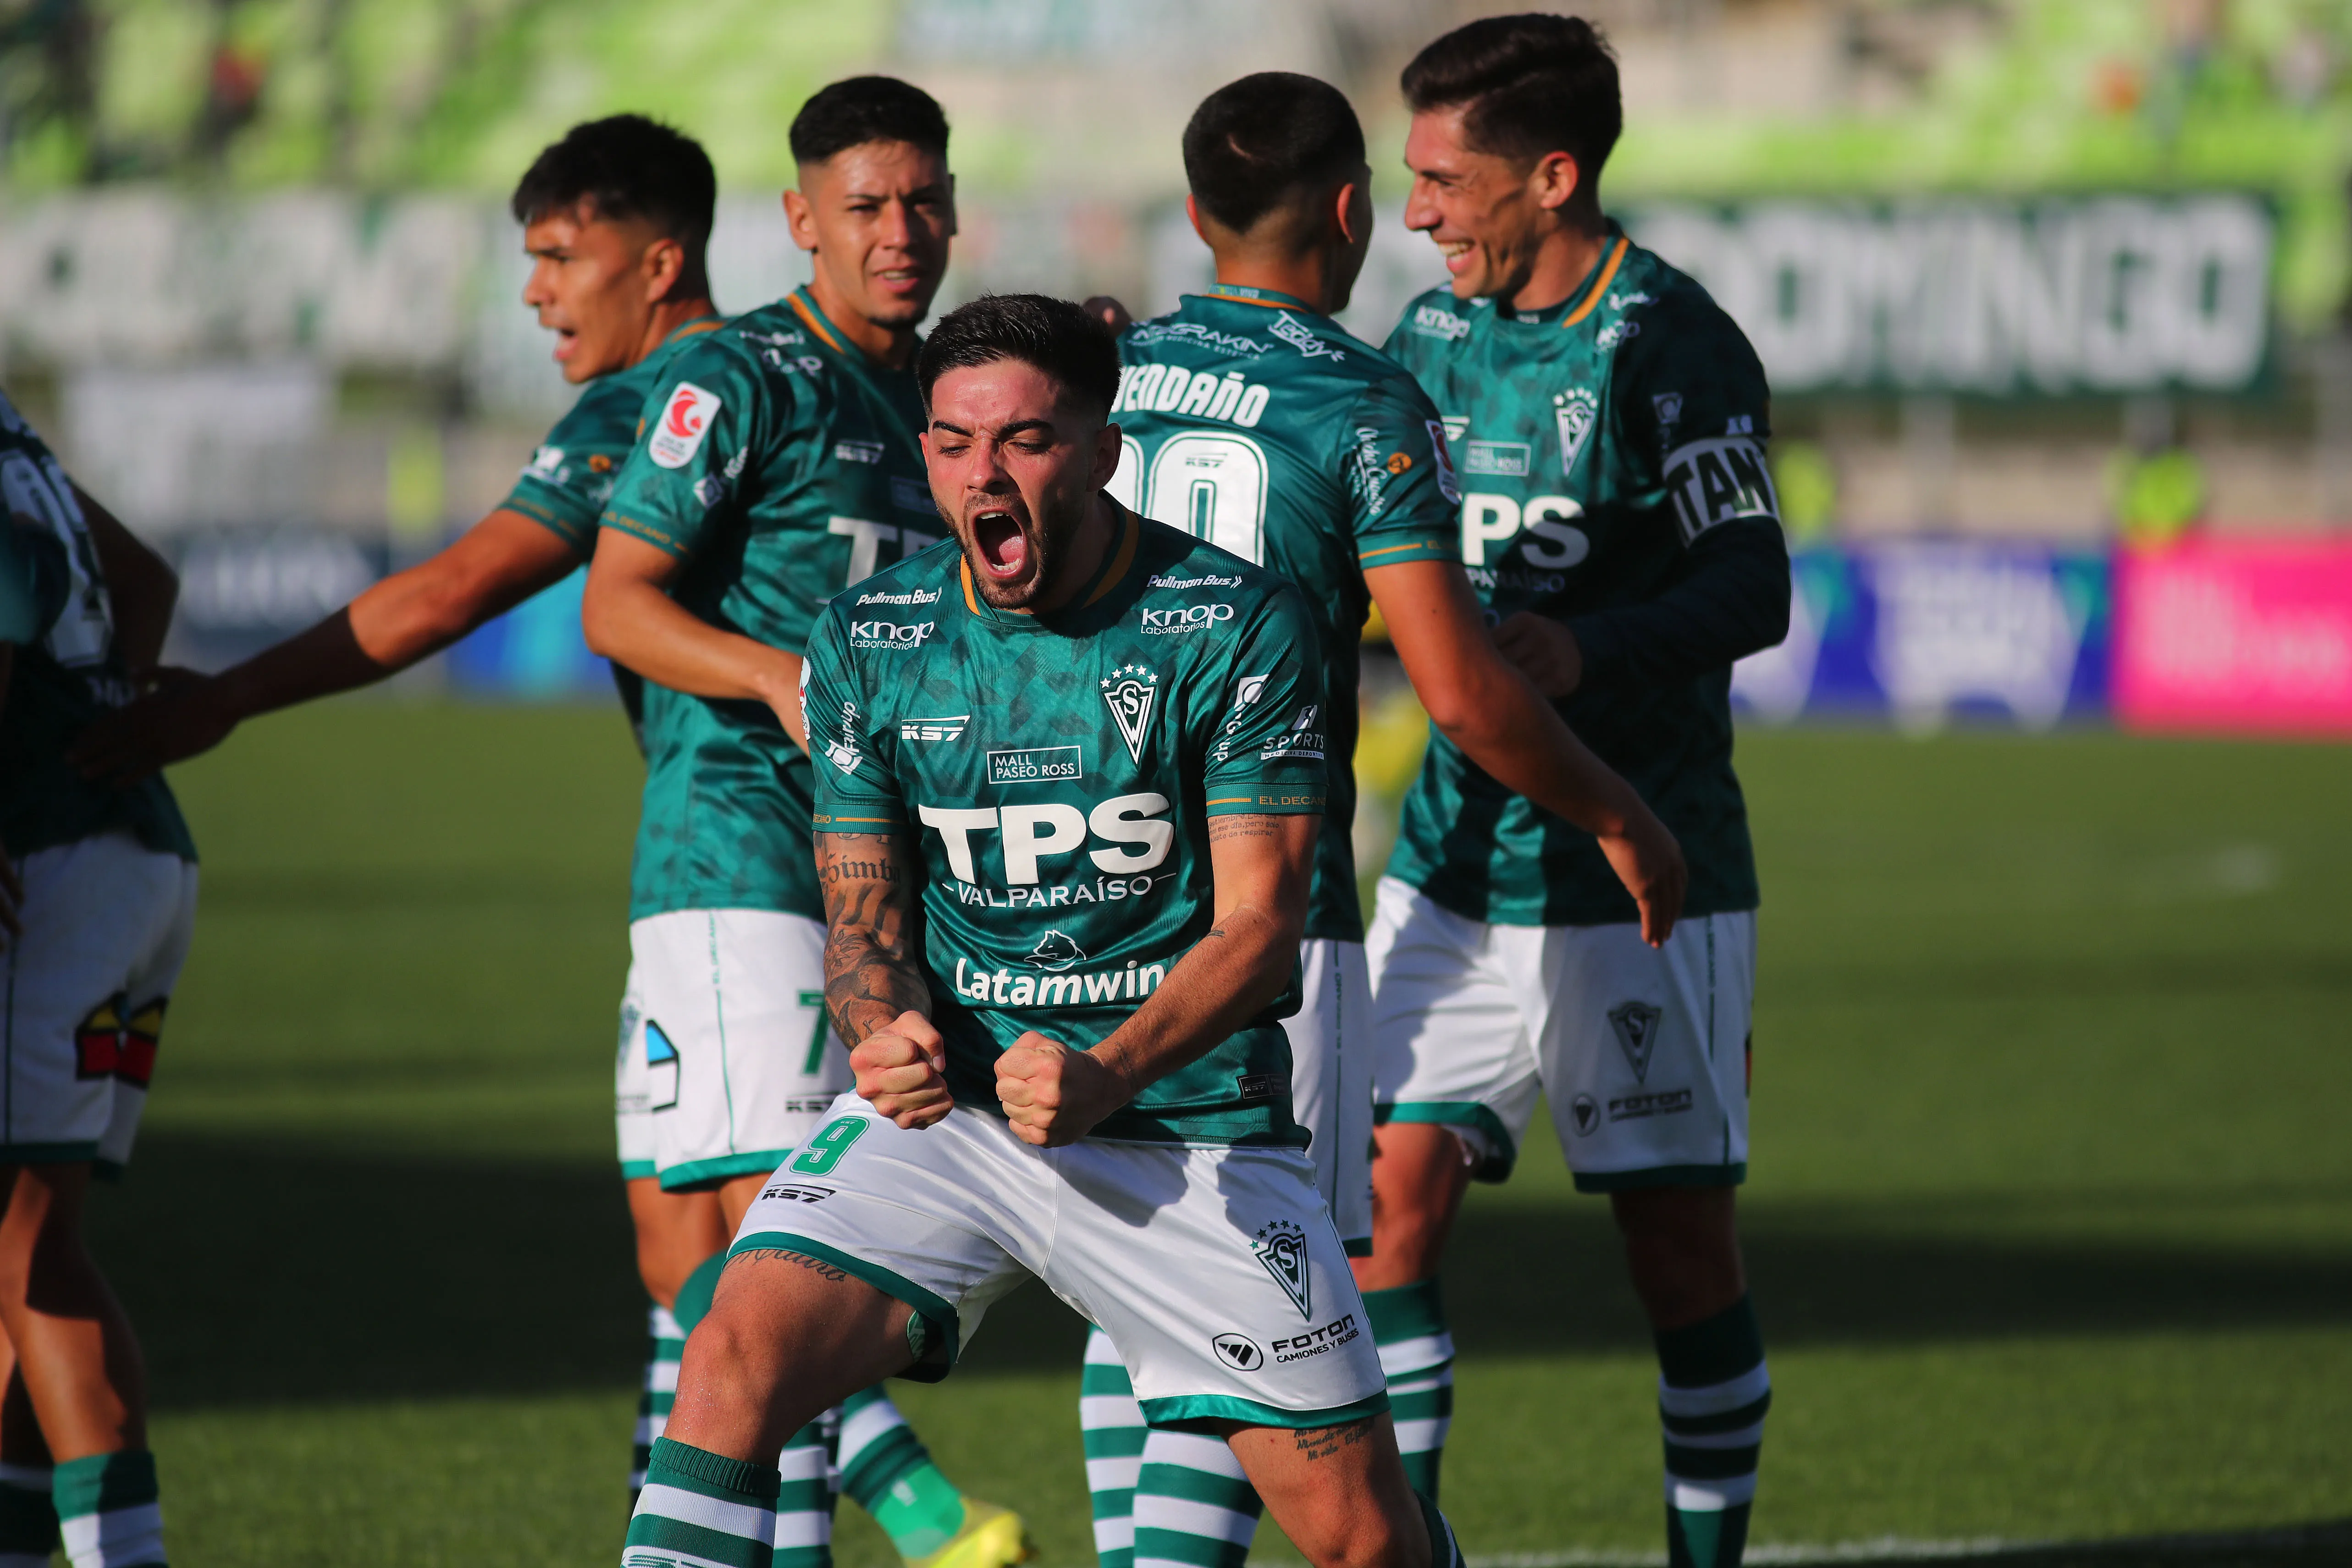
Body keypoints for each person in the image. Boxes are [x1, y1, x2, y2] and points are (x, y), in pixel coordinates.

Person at [65, 116, 1000, 1558]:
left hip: (745, 859)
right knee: (679, 1250)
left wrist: (233, 697)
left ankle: (913, 1510)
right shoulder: (868, 388)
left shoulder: (694, 390)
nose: (537, 292)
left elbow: (452, 591)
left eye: (561, 255)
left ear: (659, 257)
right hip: (813, 868)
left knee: (748, 1247)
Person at [623, 290, 1464, 1568]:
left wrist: (1106, 1069)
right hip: (956, 1118)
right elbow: (863, 919)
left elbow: (1262, 931)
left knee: (1363, 1539)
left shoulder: (1239, 625)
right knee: (731, 1352)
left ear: (1102, 450)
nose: (985, 473)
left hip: (1184, 1132)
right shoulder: (868, 637)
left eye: (1024, 438)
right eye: (956, 443)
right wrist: (879, 1023)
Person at [1074, 72, 1685, 1568]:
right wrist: (1616, 812)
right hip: (1262, 917)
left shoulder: (1102, 377)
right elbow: (1465, 693)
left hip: (1078, 904)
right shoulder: (1358, 399)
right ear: (1349, 211)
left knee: (1133, 1303)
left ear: (1198, 211)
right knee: (1269, 1324)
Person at [1366, 18, 1792, 1568]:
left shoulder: (1673, 346)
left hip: (1642, 872)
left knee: (1677, 1253)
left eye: (1442, 179)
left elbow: (1754, 583)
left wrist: (1588, 646)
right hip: (1451, 866)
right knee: (1376, 1220)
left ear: (1552, 179)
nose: (1417, 212)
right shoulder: (1423, 341)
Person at [583, 78, 1026, 1568]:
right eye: (866, 207)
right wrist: (787, 677)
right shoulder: (745, 374)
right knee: (765, 1264)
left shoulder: (953, 399)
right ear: (801, 221)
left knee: (697, 1261)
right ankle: (909, 1506)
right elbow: (619, 601)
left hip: (885, 881)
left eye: (924, 201)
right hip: (741, 858)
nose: (902, 233)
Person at [0, 388, 196, 1568]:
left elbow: (12, 593)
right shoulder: (18, 433)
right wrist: (98, 719)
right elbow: (149, 582)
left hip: (52, 864)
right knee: (29, 1244)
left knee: (24, 1254)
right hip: (127, 849)